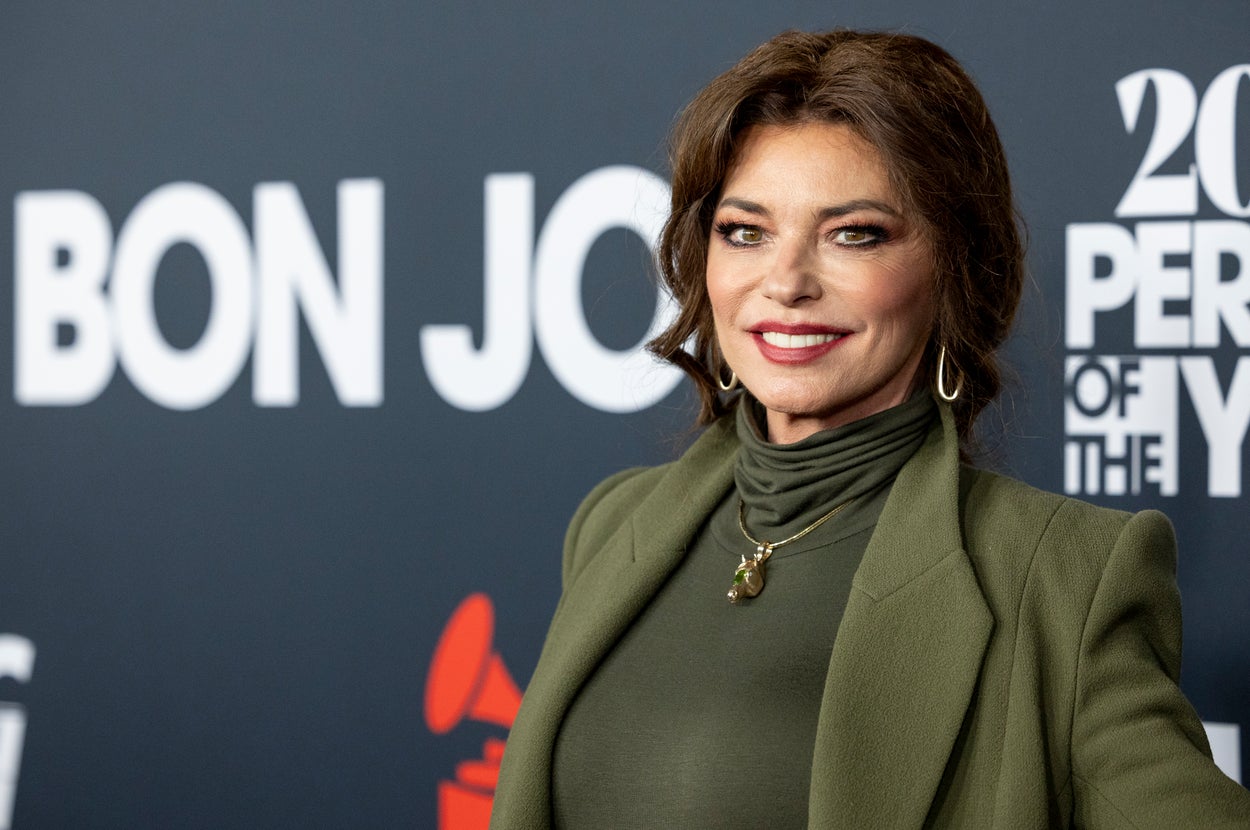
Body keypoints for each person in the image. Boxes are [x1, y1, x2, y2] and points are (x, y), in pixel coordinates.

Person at [489, 29, 1250, 828]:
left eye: (854, 234)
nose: (785, 282)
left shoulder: (1064, 582)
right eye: (745, 230)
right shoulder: (612, 524)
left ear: (954, 267)